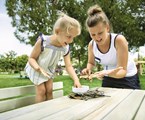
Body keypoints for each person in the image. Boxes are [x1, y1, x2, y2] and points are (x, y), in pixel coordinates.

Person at [25, 13, 81, 103]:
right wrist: (38, 68)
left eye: (73, 37)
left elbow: (69, 66)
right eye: (69, 36)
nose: (71, 41)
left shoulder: (65, 47)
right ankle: (38, 113)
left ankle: (49, 112)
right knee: (41, 91)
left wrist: (76, 79)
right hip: (36, 68)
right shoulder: (43, 42)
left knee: (49, 90)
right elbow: (31, 58)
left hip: (48, 70)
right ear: (57, 31)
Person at [81, 4, 140, 89]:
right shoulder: (91, 45)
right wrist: (88, 69)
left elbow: (122, 70)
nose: (97, 38)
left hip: (127, 78)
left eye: (100, 33)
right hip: (108, 77)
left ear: (107, 28)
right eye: (93, 34)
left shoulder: (119, 40)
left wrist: (106, 73)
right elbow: (91, 62)